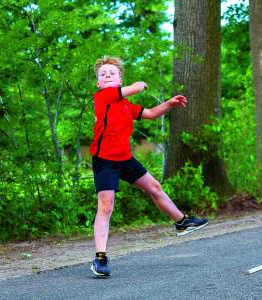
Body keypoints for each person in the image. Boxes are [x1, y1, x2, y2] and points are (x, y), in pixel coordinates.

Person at [89, 56, 209, 276]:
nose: (107, 76)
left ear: (119, 79)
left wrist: (170, 104)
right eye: (102, 75)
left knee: (154, 186)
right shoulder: (103, 97)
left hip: (124, 158)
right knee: (106, 206)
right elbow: (132, 89)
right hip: (104, 159)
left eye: (111, 73)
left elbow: (151, 114)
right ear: (98, 83)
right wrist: (138, 86)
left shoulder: (124, 104)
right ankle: (100, 258)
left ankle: (181, 222)